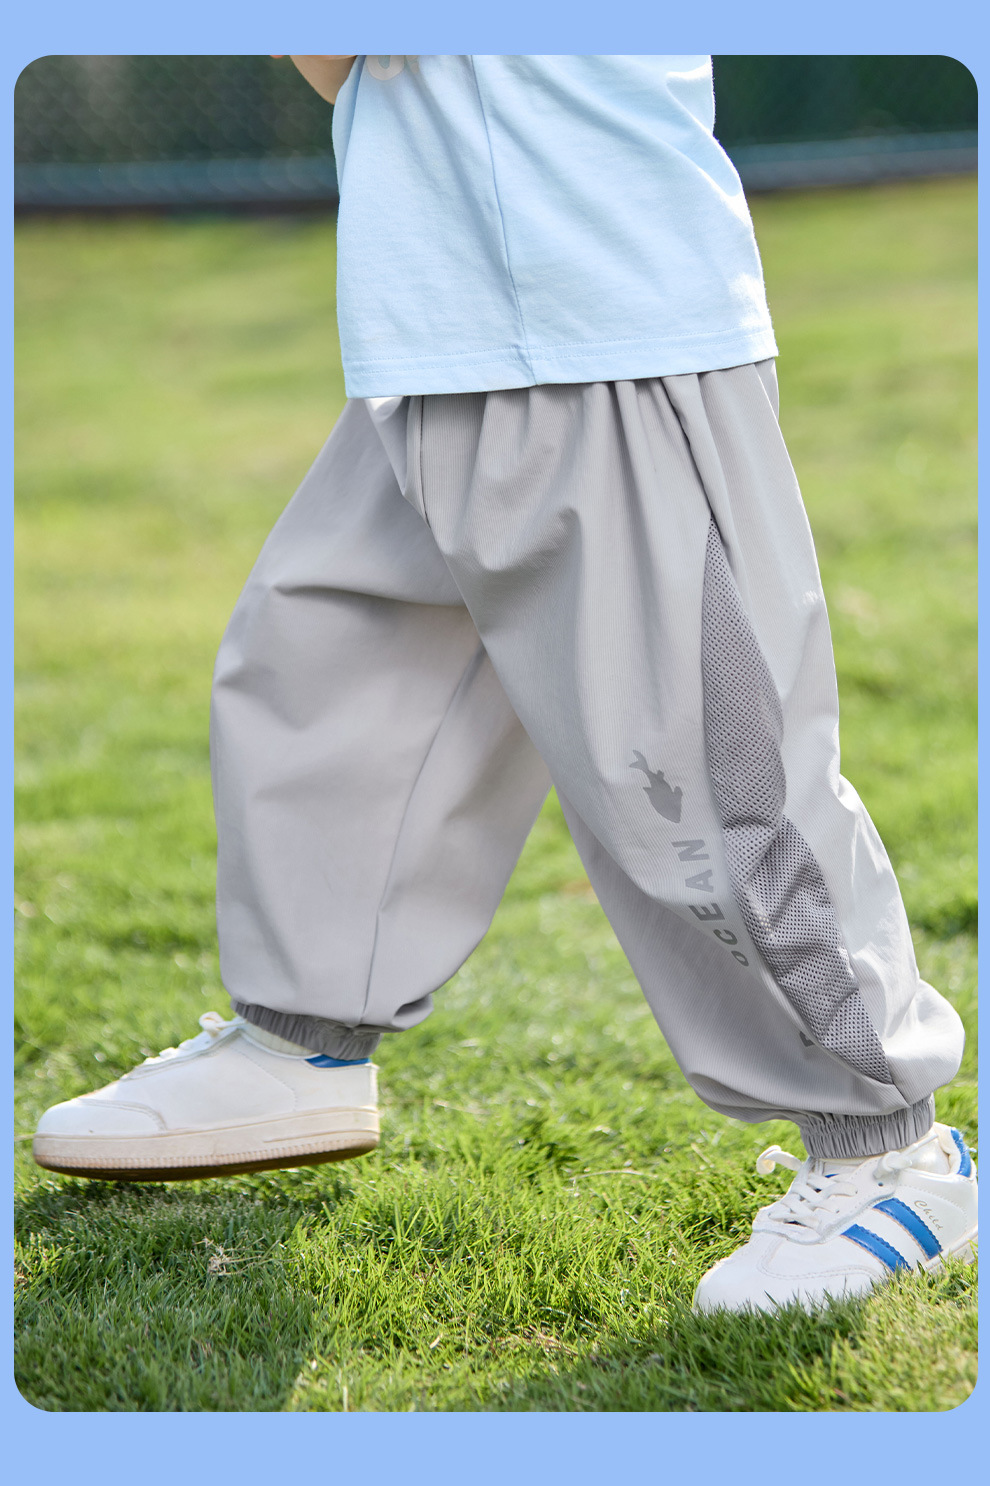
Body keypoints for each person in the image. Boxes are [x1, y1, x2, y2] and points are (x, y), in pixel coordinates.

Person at [33, 55, 976, 1314]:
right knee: (336, 669)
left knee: (695, 770)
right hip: (441, 319)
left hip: (594, 312)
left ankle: (890, 1150)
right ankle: (303, 1037)